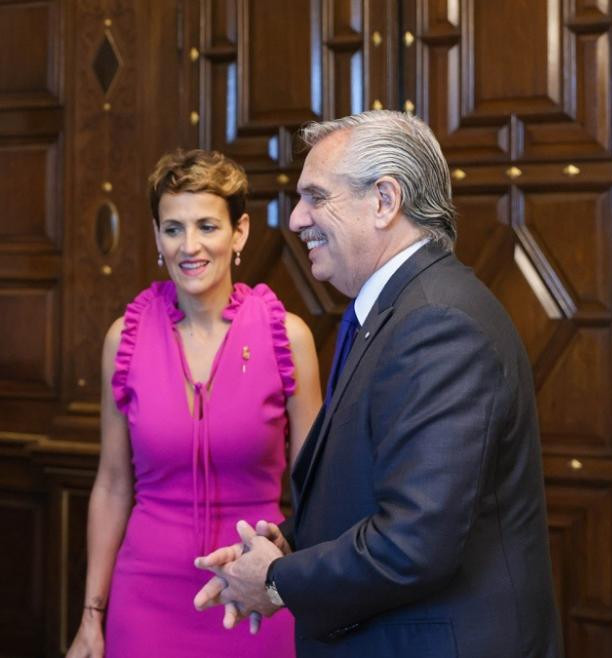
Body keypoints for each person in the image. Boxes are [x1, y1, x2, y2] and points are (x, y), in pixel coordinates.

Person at [193, 110, 563, 658]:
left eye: (316, 197)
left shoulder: (438, 323)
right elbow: (376, 482)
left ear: (386, 201)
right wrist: (290, 545)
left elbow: (414, 542)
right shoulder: (398, 311)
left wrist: (279, 580)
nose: (296, 219)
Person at [66, 149, 322, 657]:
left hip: (255, 591)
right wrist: (91, 618)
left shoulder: (286, 337)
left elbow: (317, 485)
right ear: (158, 238)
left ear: (239, 232)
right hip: (146, 597)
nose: (190, 246)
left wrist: (296, 583)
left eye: (207, 225)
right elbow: (113, 485)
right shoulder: (126, 339)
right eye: (173, 228)